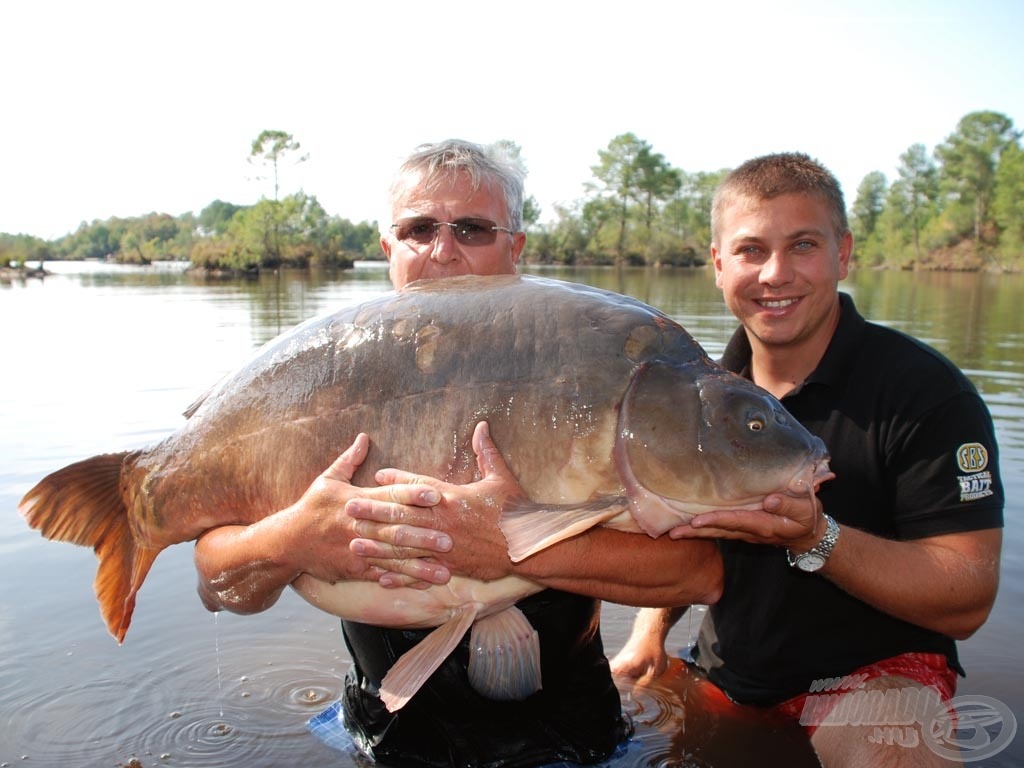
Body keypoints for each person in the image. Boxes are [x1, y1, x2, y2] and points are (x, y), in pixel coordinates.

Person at [193, 139, 723, 768]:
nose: (445, 250)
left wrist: (503, 543)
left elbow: (703, 573)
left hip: (567, 738)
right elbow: (218, 586)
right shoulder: (319, 379)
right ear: (390, 250)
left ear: (516, 249)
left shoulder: (588, 370)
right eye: (420, 229)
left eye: (472, 228)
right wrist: (294, 539)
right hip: (382, 735)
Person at [604, 153, 1004, 766]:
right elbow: (685, 517)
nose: (775, 273)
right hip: (727, 675)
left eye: (803, 245)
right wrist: (649, 631)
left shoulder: (924, 392)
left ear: (843, 255)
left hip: (877, 680)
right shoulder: (699, 387)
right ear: (718, 265)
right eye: (750, 250)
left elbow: (968, 597)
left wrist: (817, 538)